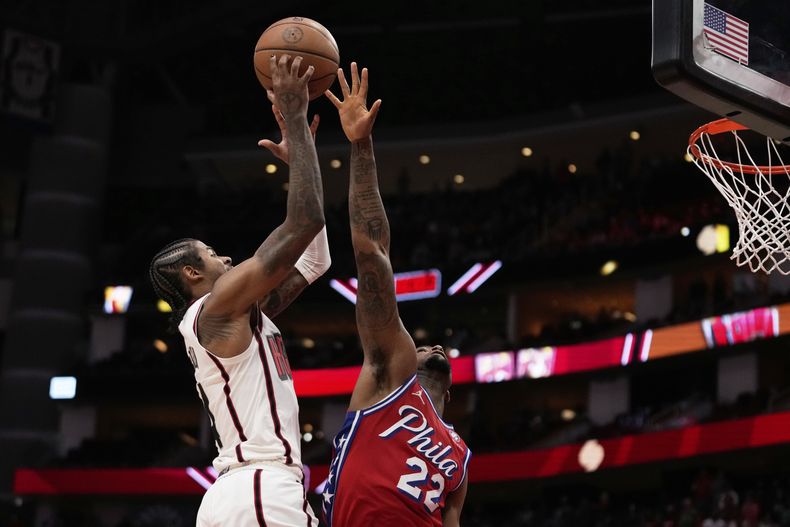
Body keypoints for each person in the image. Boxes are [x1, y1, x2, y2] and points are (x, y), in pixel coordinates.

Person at [149, 54, 327, 527]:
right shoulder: (216, 308)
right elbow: (304, 221)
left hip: (253, 491)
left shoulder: (239, 314)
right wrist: (294, 114)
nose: (225, 258)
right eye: (211, 254)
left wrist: (302, 155)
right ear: (192, 274)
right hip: (260, 488)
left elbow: (315, 257)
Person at [320, 62, 471, 526]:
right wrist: (360, 145)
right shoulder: (392, 372)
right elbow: (372, 253)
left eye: (432, 347)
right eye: (424, 344)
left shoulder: (461, 457)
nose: (435, 348)